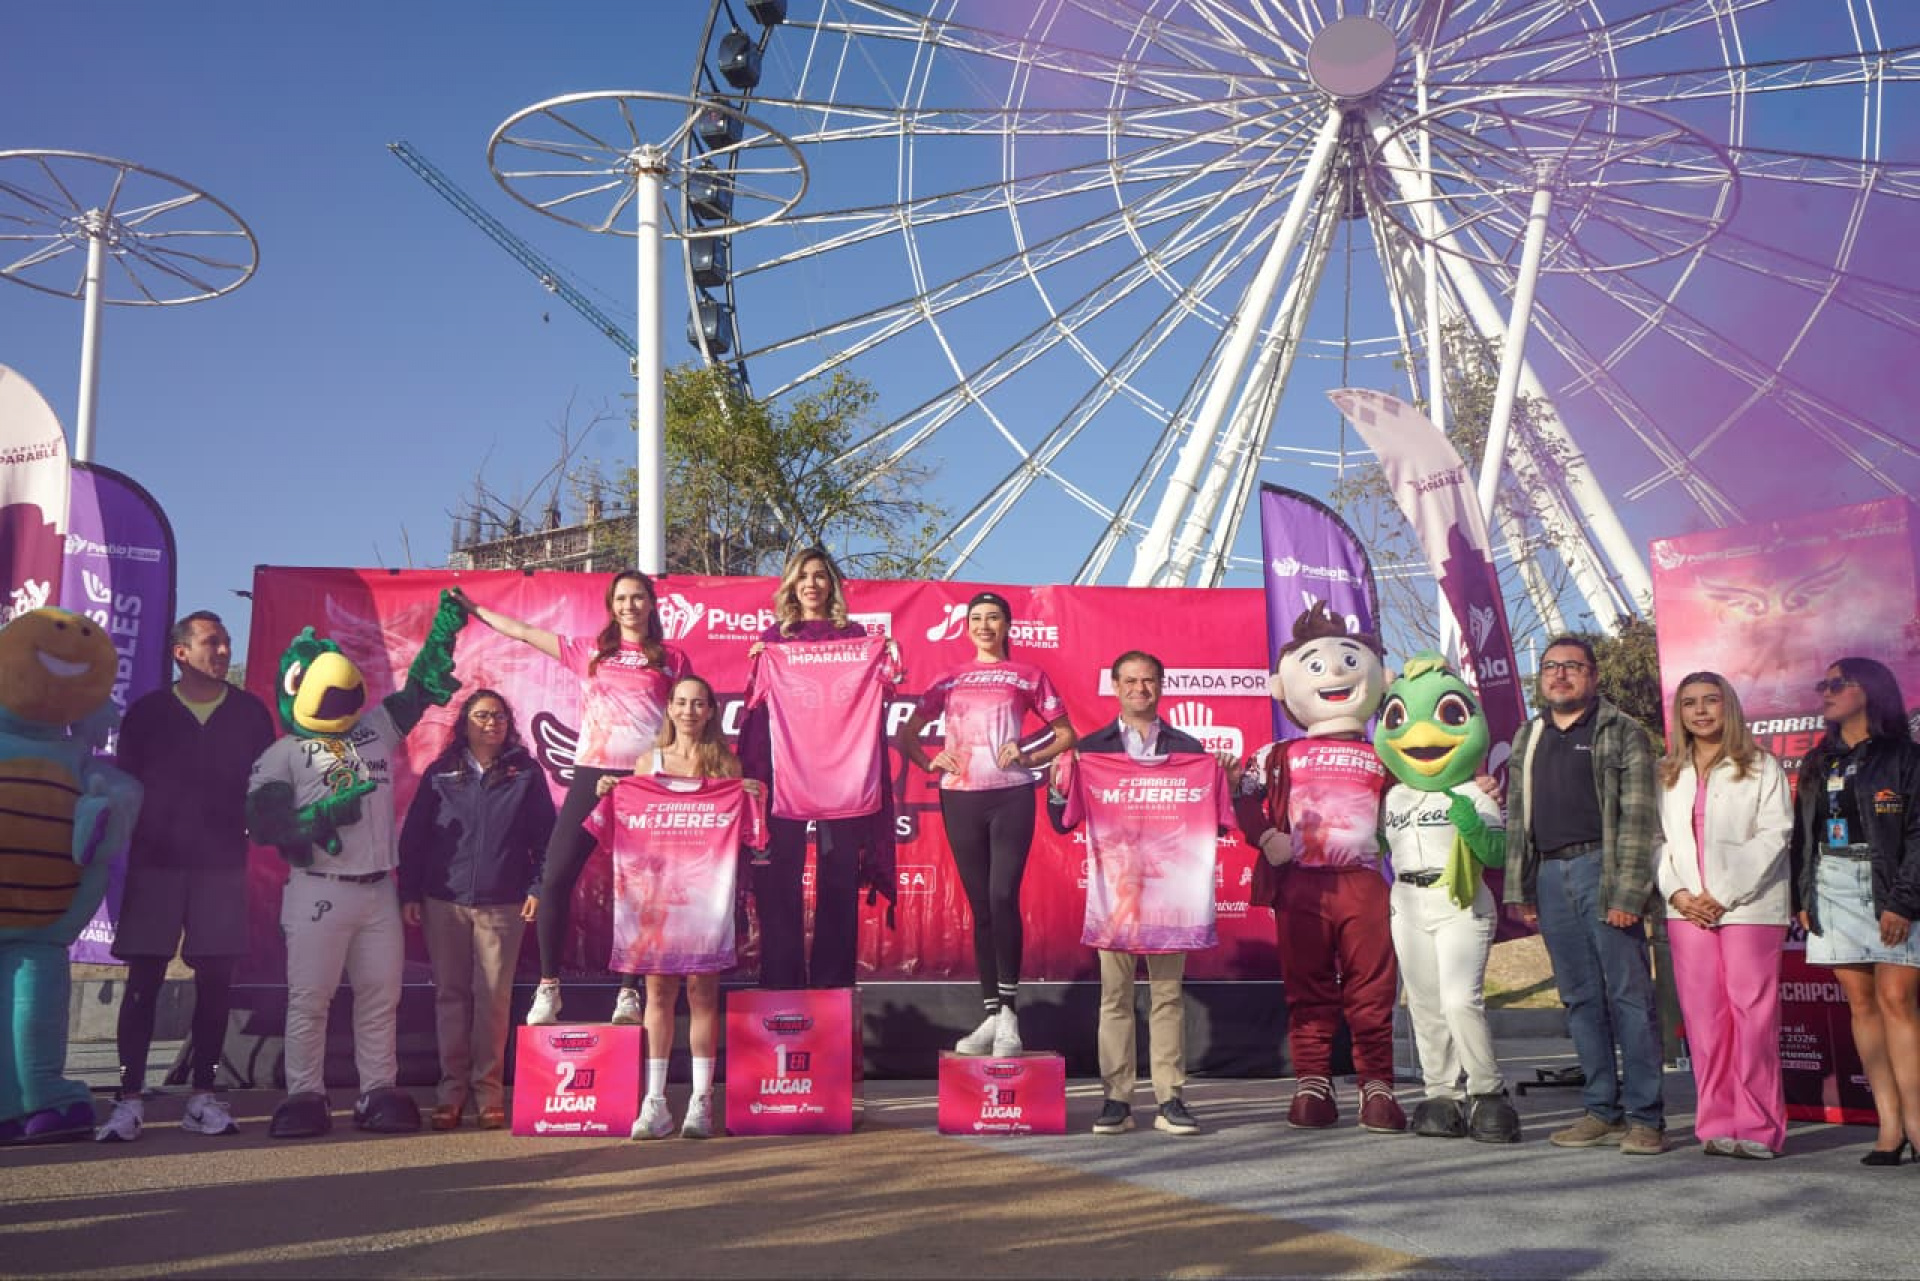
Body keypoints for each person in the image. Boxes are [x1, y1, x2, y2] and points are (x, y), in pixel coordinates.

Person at [246, 594, 469, 1139]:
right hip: (319, 891)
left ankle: (377, 1090)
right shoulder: (284, 753)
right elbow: (266, 826)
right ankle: (305, 1093)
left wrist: (444, 628)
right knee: (310, 998)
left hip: (377, 893)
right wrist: (324, 814)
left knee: (380, 997)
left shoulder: (373, 730)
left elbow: (419, 690)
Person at [453, 571, 691, 1026]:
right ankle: (549, 987)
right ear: (611, 604)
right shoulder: (590, 652)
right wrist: (476, 610)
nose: (630, 605)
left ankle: (628, 992)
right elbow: (523, 632)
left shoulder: (672, 659)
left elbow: (689, 718)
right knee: (556, 878)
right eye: (621, 598)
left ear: (651, 604)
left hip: (645, 782)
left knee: (642, 890)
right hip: (592, 774)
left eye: (638, 597)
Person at [93, 612, 274, 1144]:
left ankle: (203, 1096)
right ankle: (127, 1101)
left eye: (226, 643)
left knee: (216, 984)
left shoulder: (250, 713)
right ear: (180, 653)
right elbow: (124, 790)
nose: (222, 651)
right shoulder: (147, 713)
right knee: (143, 982)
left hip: (222, 866)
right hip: (156, 865)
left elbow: (265, 788)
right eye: (211, 642)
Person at [1233, 603, 1404, 1133]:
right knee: (1307, 987)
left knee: (1372, 987)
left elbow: (1425, 797)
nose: (1332, 674)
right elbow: (1240, 799)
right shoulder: (1276, 753)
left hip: (1364, 884)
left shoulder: (1388, 753)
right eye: (1313, 666)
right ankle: (1313, 1081)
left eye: (1348, 664)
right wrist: (1264, 836)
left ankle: (1376, 1083)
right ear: (1283, 686)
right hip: (1302, 885)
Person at [1048, 650, 1226, 1136]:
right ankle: (1117, 1099)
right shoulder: (1090, 748)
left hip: (1173, 895)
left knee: (1168, 996)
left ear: (1161, 686)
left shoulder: (1192, 750)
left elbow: (1218, 823)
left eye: (1149, 681)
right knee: (1115, 998)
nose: (1140, 689)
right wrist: (1059, 787)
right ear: (1115, 686)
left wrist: (1218, 774)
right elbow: (1061, 822)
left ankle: (1170, 1096)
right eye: (1131, 681)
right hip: (1117, 896)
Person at [1504, 635, 1666, 1155]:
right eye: (1551, 667)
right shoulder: (1529, 736)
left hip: (1605, 866)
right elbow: (1517, 819)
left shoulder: (1622, 731)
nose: (1560, 675)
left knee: (1629, 998)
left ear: (1593, 677)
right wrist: (1523, 887)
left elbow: (1640, 818)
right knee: (1580, 999)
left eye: (1572, 666)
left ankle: (1645, 1118)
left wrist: (1629, 890)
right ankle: (1602, 1111)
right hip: (1551, 875)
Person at [898, 591, 1076, 1056]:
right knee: (980, 906)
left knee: (1003, 896)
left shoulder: (1028, 675)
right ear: (967, 626)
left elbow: (1066, 734)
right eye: (976, 618)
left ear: (1006, 626)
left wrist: (1030, 755)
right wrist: (930, 760)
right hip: (960, 797)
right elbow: (907, 734)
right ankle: (992, 1014)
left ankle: (1011, 1016)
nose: (983, 625)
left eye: (992, 617)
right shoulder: (948, 678)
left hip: (1011, 795)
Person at [589, 676, 765, 1140]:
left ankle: (702, 1102)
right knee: (659, 995)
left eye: (698, 703)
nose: (689, 710)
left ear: (710, 711)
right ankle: (656, 1102)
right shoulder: (650, 762)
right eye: (681, 702)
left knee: (703, 995)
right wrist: (613, 789)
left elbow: (749, 833)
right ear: (669, 708)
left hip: (706, 898)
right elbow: (627, 820)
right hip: (658, 898)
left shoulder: (726, 765)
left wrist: (751, 797)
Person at [1373, 653, 1519, 1144]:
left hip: (1461, 902)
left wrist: (1475, 827)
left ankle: (1488, 1091)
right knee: (1426, 1005)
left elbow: (1497, 853)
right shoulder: (1393, 797)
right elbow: (1369, 844)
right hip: (1407, 903)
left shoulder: (1476, 793)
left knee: (1461, 1002)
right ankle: (1442, 1092)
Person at [742, 547, 898, 991]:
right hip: (786, 772)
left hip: (842, 778)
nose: (812, 584)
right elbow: (757, 714)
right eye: (804, 576)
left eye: (820, 576)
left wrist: (886, 657)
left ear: (832, 585)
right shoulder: (775, 639)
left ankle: (833, 986)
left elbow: (878, 697)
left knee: (840, 878)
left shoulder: (855, 636)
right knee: (781, 878)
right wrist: (761, 663)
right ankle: (781, 982)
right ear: (792, 585)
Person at [398, 689, 552, 1132]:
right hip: (442, 902)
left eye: (499, 716)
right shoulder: (441, 772)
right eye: (482, 715)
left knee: (493, 1001)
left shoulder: (525, 772)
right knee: (450, 996)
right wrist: (408, 893)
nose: (491, 723)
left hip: (503, 903)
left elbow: (546, 839)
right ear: (465, 721)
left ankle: (489, 1094)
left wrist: (538, 887)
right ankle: (450, 1094)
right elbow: (415, 839)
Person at [1653, 671, 1793, 1160]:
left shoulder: (1759, 766)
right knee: (1705, 1022)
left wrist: (1724, 894)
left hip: (1750, 908)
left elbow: (1776, 833)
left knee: (1752, 1017)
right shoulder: (1669, 772)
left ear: (1727, 706)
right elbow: (1658, 844)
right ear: (1680, 714)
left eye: (1711, 700)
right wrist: (1678, 894)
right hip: (1688, 911)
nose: (1701, 710)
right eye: (1690, 703)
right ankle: (1715, 1123)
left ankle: (1759, 1127)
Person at [1791, 656, 1920, 1166]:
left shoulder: (1906, 756)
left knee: (1897, 1002)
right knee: (1861, 1006)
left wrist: (1904, 901)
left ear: (1868, 690)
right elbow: (1804, 835)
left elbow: (1917, 833)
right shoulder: (1817, 760)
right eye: (1822, 684)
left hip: (1891, 884)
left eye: (1837, 683)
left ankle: (1917, 1122)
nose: (1825, 691)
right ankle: (1889, 1128)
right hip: (1832, 882)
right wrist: (1804, 896)